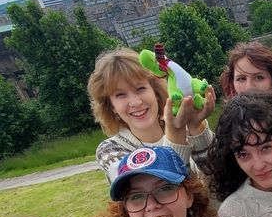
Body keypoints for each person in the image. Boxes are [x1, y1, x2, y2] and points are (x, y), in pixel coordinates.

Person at [89, 47, 216, 184]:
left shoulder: (188, 130)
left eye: (140, 89)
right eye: (120, 95)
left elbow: (221, 182)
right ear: (111, 106)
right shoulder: (110, 151)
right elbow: (162, 192)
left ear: (155, 91)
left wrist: (196, 128)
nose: (136, 102)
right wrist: (176, 133)